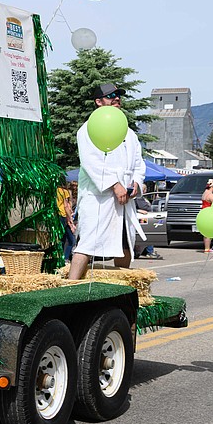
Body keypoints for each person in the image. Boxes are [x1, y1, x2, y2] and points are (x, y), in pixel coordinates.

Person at [68, 83, 146, 281]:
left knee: (125, 244)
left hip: (125, 200)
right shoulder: (87, 129)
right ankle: (70, 286)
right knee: (87, 244)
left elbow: (139, 163)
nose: (116, 98)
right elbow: (91, 161)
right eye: (111, 96)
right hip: (99, 198)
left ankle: (123, 289)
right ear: (99, 102)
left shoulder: (129, 133)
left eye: (118, 95)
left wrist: (136, 182)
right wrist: (114, 184)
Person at [58, 179, 77, 262]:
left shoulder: (56, 191)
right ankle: (65, 258)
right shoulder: (64, 191)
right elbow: (66, 206)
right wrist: (71, 220)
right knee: (71, 240)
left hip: (57, 215)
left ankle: (60, 257)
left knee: (62, 239)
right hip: (63, 215)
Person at [200, 178, 213, 254]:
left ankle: (207, 248)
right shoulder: (211, 195)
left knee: (206, 232)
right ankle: (207, 249)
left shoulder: (205, 193)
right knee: (208, 232)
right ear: (212, 186)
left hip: (203, 212)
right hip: (209, 213)